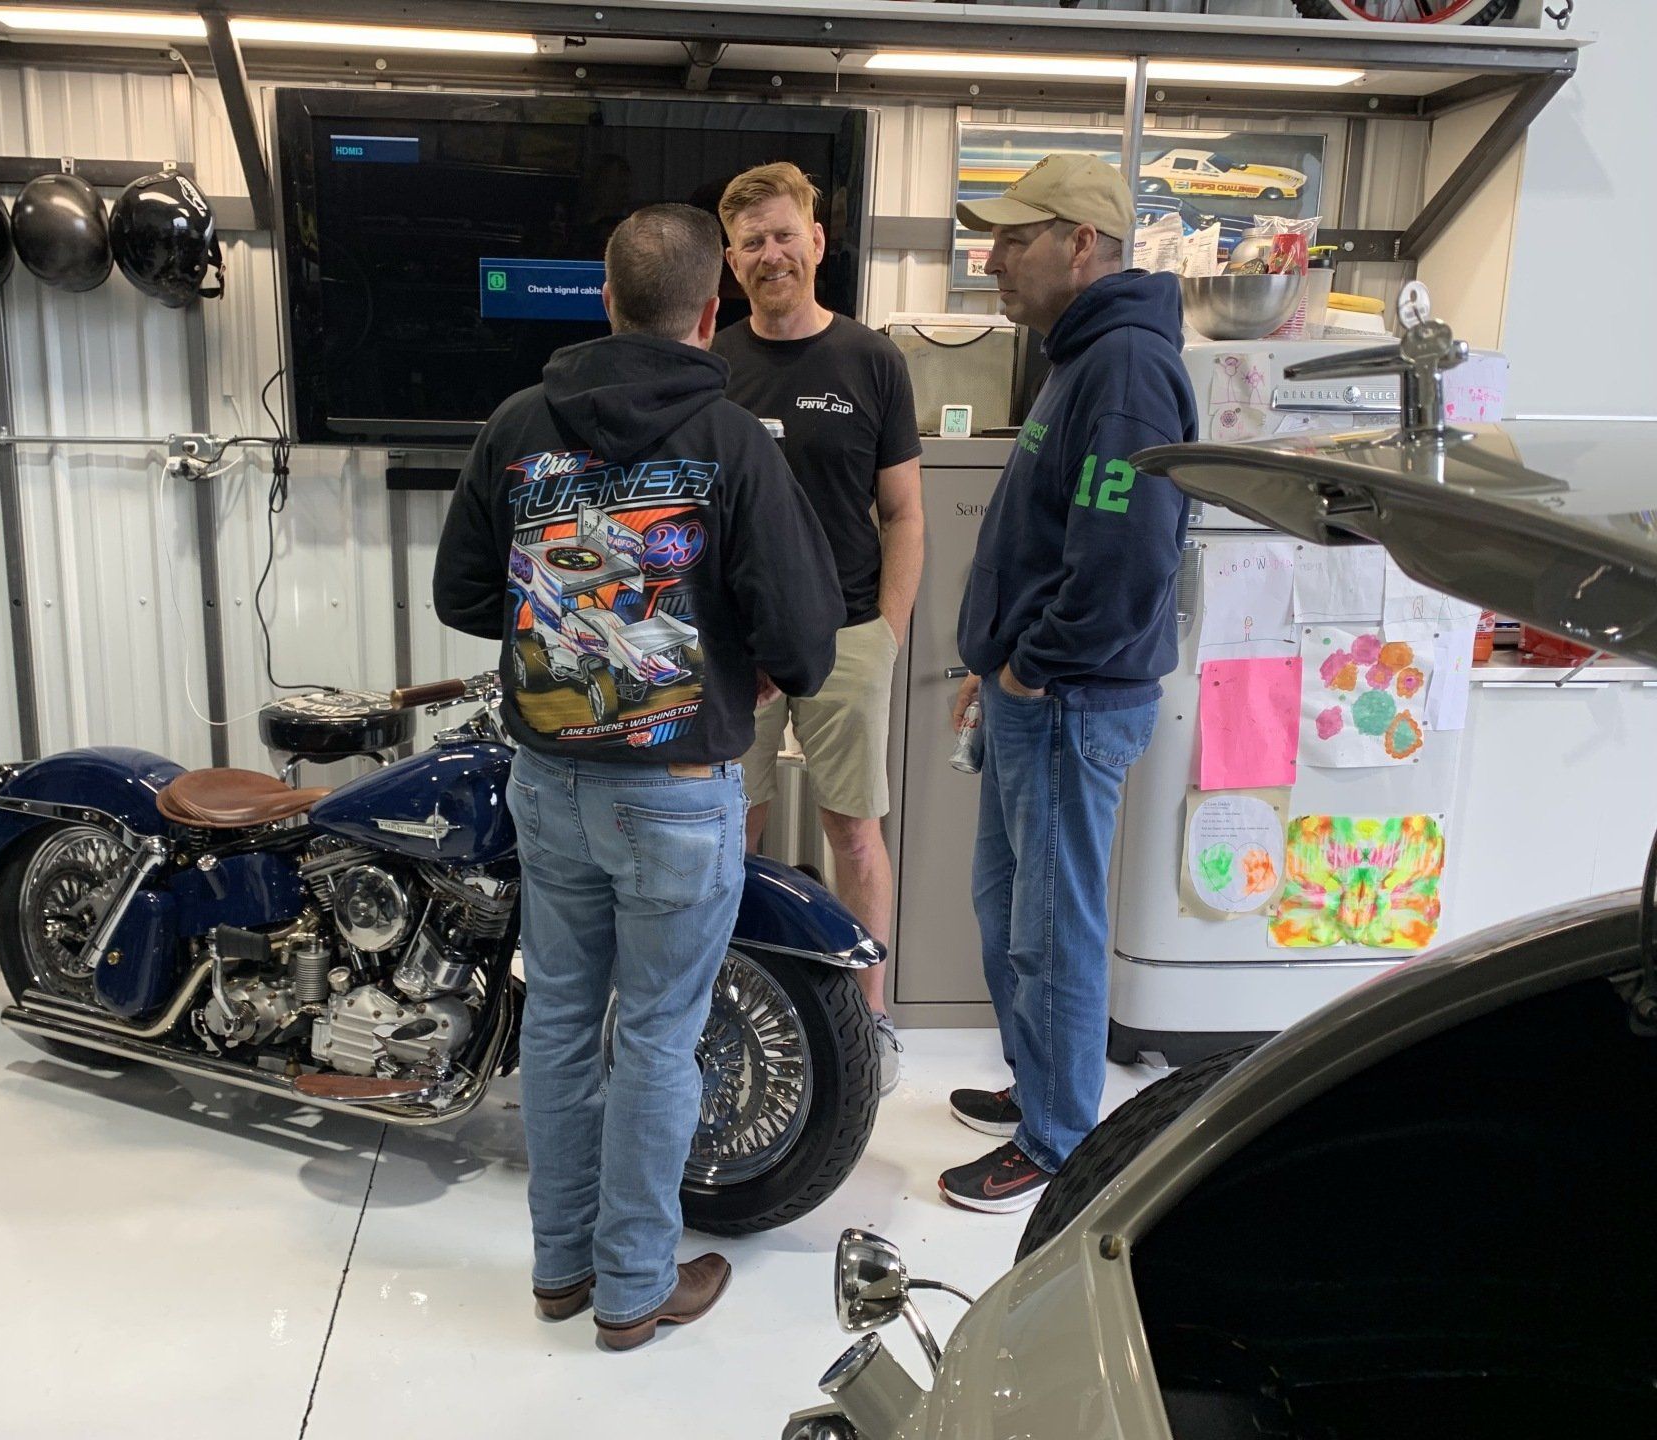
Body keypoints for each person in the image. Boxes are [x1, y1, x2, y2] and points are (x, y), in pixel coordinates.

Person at [432, 204, 843, 1346]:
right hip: (676, 790)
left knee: (560, 1022)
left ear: (604, 300)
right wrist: (736, 664)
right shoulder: (733, 443)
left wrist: (558, 627)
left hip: (548, 780)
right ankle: (635, 1287)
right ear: (709, 313)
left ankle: (561, 1272)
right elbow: (807, 640)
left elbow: (462, 596)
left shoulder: (518, 425)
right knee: (660, 1034)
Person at [937, 154, 1197, 1213]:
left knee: (1051, 923)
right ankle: (1043, 1087)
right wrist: (987, 666)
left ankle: (1057, 1145)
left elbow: (1128, 553)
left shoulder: (1126, 366)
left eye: (1013, 239)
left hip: (1066, 699)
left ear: (1080, 243)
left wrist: (1032, 665)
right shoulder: (1080, 358)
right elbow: (1051, 539)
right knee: (1007, 909)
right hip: (1029, 693)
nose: (992, 259)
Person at [712, 162, 925, 1093]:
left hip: (847, 636)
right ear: (729, 260)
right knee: (731, 834)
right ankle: (729, 1003)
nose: (771, 255)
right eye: (752, 242)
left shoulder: (873, 361)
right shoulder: (714, 362)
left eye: (784, 235)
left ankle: (870, 1021)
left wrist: (889, 631)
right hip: (740, 648)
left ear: (817, 242)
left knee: (856, 836)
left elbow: (905, 516)